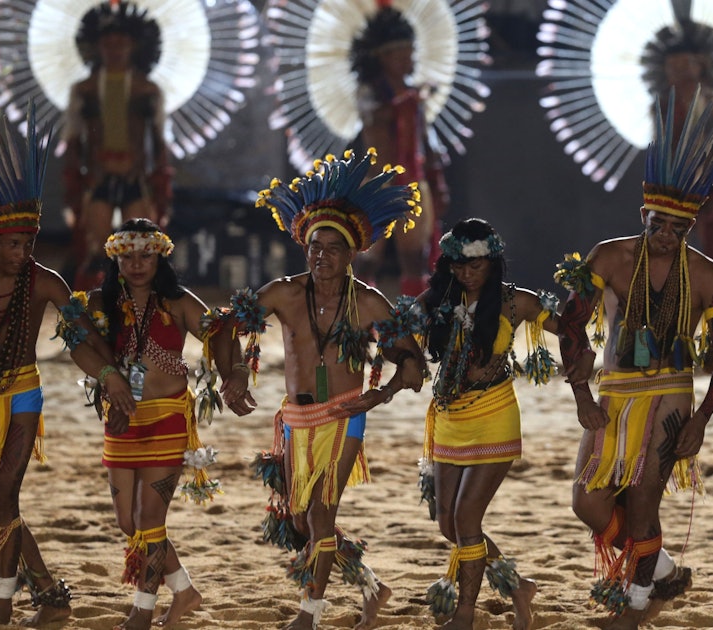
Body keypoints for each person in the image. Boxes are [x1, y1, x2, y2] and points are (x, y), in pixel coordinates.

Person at [0, 112, 133, 627]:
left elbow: (81, 337)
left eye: (29, 243)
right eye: (14, 245)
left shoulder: (46, 282)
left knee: (4, 495)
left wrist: (111, 375)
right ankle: (48, 591)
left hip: (23, 393)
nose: (24, 253)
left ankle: (3, 604)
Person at [553, 87, 713, 629]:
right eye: (658, 223)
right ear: (644, 213)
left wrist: (701, 420)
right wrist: (583, 395)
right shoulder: (608, 257)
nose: (666, 236)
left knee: (641, 503)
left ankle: (636, 609)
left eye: (678, 229)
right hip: (614, 392)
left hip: (669, 394)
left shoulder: (706, 275)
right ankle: (658, 565)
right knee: (588, 504)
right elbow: (570, 324)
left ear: (691, 228)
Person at [237, 149, 426, 630]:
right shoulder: (283, 291)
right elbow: (226, 325)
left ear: (351, 255)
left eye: (333, 249)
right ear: (305, 248)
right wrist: (233, 371)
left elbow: (413, 364)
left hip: (345, 416)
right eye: (315, 247)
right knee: (302, 524)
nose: (322, 256)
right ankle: (371, 587)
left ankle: (310, 615)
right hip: (296, 421)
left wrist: (378, 395)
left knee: (320, 518)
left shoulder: (368, 302)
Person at [86, 218, 254, 629]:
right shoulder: (99, 302)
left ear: (160, 257)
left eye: (147, 255)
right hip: (122, 419)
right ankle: (184, 590)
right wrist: (107, 378)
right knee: (129, 522)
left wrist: (237, 370)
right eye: (129, 256)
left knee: (149, 520)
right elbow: (82, 347)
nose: (138, 264)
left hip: (167, 418)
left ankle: (142, 609)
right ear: (116, 259)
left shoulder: (177, 302)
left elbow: (220, 331)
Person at [412, 218, 556, 629]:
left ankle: (464, 614)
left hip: (494, 416)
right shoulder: (437, 299)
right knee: (447, 523)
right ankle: (518, 588)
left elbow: (570, 330)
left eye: (475, 265)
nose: (466, 273)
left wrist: (582, 377)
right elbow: (395, 331)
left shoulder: (516, 302)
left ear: (493, 263)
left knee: (467, 520)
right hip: (449, 418)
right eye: (458, 265)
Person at [64, 1, 170, 291]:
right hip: (98, 177)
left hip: (135, 178)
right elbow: (72, 139)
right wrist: (75, 182)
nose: (115, 51)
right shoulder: (82, 90)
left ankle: (139, 311)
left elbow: (161, 141)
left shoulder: (148, 90)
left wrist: (160, 183)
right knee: (95, 251)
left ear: (133, 47)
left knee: (139, 250)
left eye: (121, 44)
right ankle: (91, 312)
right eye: (108, 44)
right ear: (96, 47)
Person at [349, 0, 449, 296]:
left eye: (410, 52)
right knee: (367, 258)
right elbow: (375, 115)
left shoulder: (412, 96)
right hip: (380, 182)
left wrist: (436, 177)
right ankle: (359, 317)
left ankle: (414, 317)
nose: (410, 59)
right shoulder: (370, 92)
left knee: (415, 258)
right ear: (384, 57)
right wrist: (407, 101)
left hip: (414, 183)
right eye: (403, 54)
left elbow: (424, 138)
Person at [642, 16, 713, 289]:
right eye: (673, 66)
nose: (679, 71)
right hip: (669, 182)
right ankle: (664, 293)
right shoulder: (662, 105)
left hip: (711, 179)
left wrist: (709, 174)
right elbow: (660, 144)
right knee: (664, 237)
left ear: (701, 65)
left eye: (686, 64)